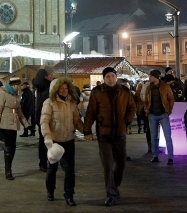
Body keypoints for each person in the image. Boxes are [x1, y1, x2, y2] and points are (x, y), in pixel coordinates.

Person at [83, 67, 137, 207]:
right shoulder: (97, 92)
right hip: (104, 134)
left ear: (116, 77)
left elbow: (132, 107)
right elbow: (91, 112)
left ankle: (115, 186)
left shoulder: (124, 91)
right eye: (108, 76)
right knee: (107, 165)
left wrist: (127, 120)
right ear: (104, 78)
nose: (111, 79)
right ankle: (111, 194)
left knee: (121, 163)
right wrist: (87, 130)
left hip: (120, 133)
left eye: (112, 76)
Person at [40, 77, 83, 206]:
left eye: (66, 88)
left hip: (69, 140)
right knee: (52, 169)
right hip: (54, 142)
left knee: (70, 170)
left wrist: (86, 131)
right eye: (61, 88)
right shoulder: (49, 103)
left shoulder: (72, 103)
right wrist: (47, 137)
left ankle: (69, 195)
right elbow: (44, 121)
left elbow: (76, 121)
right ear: (55, 89)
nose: (64, 91)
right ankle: (50, 191)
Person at [0, 76, 29, 180]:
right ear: (13, 85)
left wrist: (27, 125)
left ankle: (8, 168)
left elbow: (20, 112)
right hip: (5, 124)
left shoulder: (16, 95)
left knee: (12, 147)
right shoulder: (2, 94)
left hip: (14, 124)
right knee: (9, 147)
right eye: (18, 85)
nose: (19, 87)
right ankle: (8, 170)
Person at [144, 70, 175, 165]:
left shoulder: (165, 87)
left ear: (155, 77)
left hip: (163, 114)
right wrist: (147, 111)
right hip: (152, 114)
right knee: (153, 137)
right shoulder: (149, 88)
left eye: (151, 76)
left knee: (167, 137)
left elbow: (171, 99)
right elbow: (146, 101)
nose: (149, 78)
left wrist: (168, 111)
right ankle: (155, 156)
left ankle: (170, 157)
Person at [33, 66, 55, 171]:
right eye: (49, 74)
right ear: (45, 76)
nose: (52, 76)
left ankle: (52, 160)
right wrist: (41, 70)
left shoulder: (53, 84)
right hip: (42, 116)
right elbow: (36, 81)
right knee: (43, 141)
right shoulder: (41, 85)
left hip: (53, 116)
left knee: (54, 140)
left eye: (52, 74)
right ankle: (43, 163)